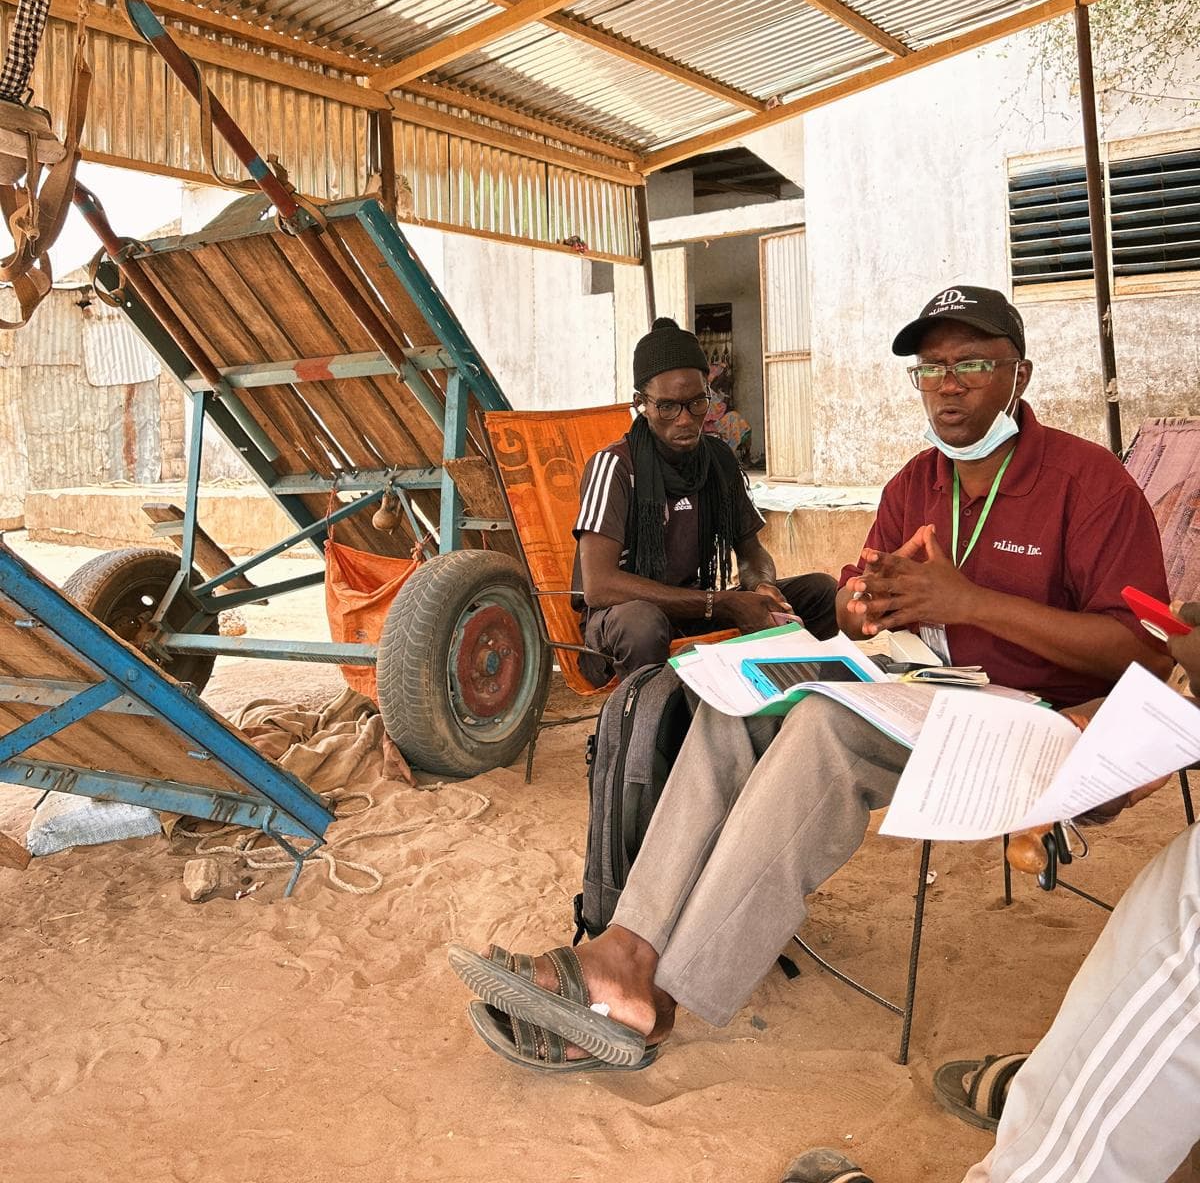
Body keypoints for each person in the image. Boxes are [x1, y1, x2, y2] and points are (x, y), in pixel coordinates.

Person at [449, 285, 1172, 1071]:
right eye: (930, 368)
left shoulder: (1090, 483)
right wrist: (863, 610)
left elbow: (1145, 654)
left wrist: (969, 601)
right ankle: (625, 951)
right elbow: (863, 604)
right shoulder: (914, 485)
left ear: (1020, 375)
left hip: (1046, 721)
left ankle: (664, 989)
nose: (949, 384)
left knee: (824, 727)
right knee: (741, 707)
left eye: (972, 363)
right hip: (936, 693)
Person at [782, 600, 1200, 1183]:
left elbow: (1137, 651)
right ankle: (1073, 1082)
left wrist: (959, 594)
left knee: (1191, 911)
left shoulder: (1101, 509)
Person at [573, 315, 836, 688]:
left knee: (821, 593)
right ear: (641, 405)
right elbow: (599, 585)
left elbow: (750, 550)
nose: (684, 419)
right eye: (667, 407)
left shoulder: (717, 461)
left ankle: (800, 709)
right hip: (620, 620)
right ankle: (651, 733)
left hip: (695, 607)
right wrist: (719, 603)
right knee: (643, 622)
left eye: (696, 403)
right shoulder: (615, 466)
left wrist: (762, 587)